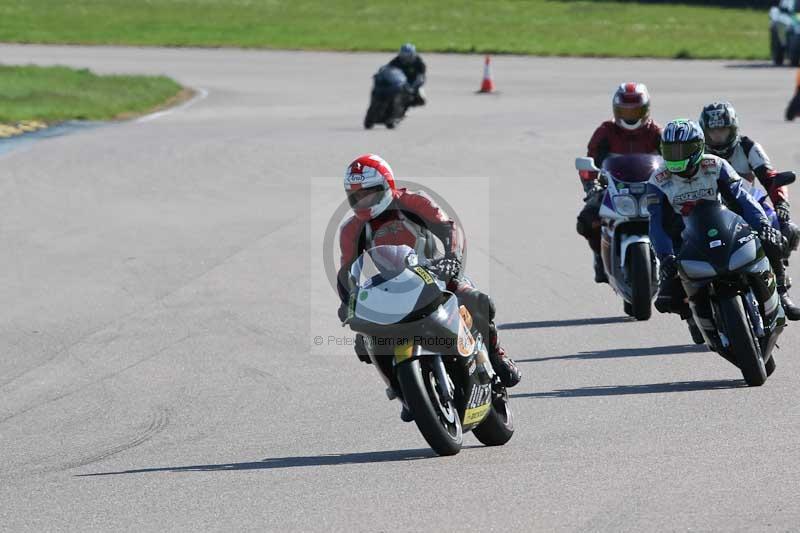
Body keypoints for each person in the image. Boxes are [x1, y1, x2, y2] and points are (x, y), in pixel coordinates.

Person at [337, 154, 521, 420]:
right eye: (356, 197)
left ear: (387, 185)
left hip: (433, 273)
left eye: (370, 193)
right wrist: (348, 300)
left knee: (479, 301)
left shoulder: (414, 201)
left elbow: (449, 228)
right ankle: (403, 391)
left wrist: (451, 259)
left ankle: (497, 356)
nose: (363, 202)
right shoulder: (350, 229)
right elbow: (346, 272)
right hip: (386, 290)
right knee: (365, 342)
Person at [646, 120, 796, 332]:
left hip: (726, 226)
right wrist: (665, 256)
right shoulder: (657, 180)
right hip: (685, 240)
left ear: (698, 147)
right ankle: (694, 316)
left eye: (684, 150)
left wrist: (763, 226)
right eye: (671, 151)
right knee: (667, 298)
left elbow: (743, 199)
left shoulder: (716, 165)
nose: (677, 156)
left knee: (772, 241)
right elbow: (656, 223)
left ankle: (780, 292)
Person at [699, 102, 800, 319]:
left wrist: (781, 205)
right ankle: (694, 309)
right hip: (708, 209)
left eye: (723, 130)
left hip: (748, 203)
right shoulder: (697, 151)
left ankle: (781, 291)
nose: (718, 136)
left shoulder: (747, 146)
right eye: (713, 131)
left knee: (783, 228)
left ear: (733, 129)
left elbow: (770, 178)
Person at [576, 82, 662, 283]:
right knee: (588, 221)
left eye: (636, 111)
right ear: (616, 110)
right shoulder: (605, 132)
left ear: (646, 110)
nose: (630, 116)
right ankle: (600, 256)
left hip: (652, 190)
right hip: (614, 189)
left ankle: (676, 263)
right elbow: (591, 162)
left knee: (680, 220)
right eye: (625, 111)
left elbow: (673, 161)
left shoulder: (657, 133)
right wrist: (591, 185)